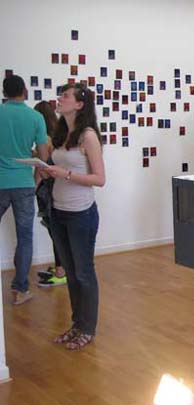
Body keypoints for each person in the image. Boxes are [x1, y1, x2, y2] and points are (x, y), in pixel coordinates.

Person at [44, 83, 105, 350]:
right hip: (59, 212)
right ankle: (76, 324)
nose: (60, 99)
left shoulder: (88, 136)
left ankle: (87, 328)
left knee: (83, 273)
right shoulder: (60, 134)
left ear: (79, 104)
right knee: (70, 273)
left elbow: (99, 179)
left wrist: (65, 174)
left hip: (81, 214)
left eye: (65, 96)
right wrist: (48, 170)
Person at [0, 75, 49, 305]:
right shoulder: (36, 117)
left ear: (4, 92)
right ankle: (20, 289)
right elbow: (43, 156)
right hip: (23, 183)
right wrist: (36, 179)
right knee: (25, 237)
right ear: (24, 90)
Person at [33, 101, 67, 286]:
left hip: (48, 188)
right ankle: (60, 266)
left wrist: (34, 186)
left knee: (54, 229)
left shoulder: (45, 138)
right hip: (57, 187)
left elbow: (43, 165)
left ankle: (61, 270)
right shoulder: (57, 136)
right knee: (55, 229)